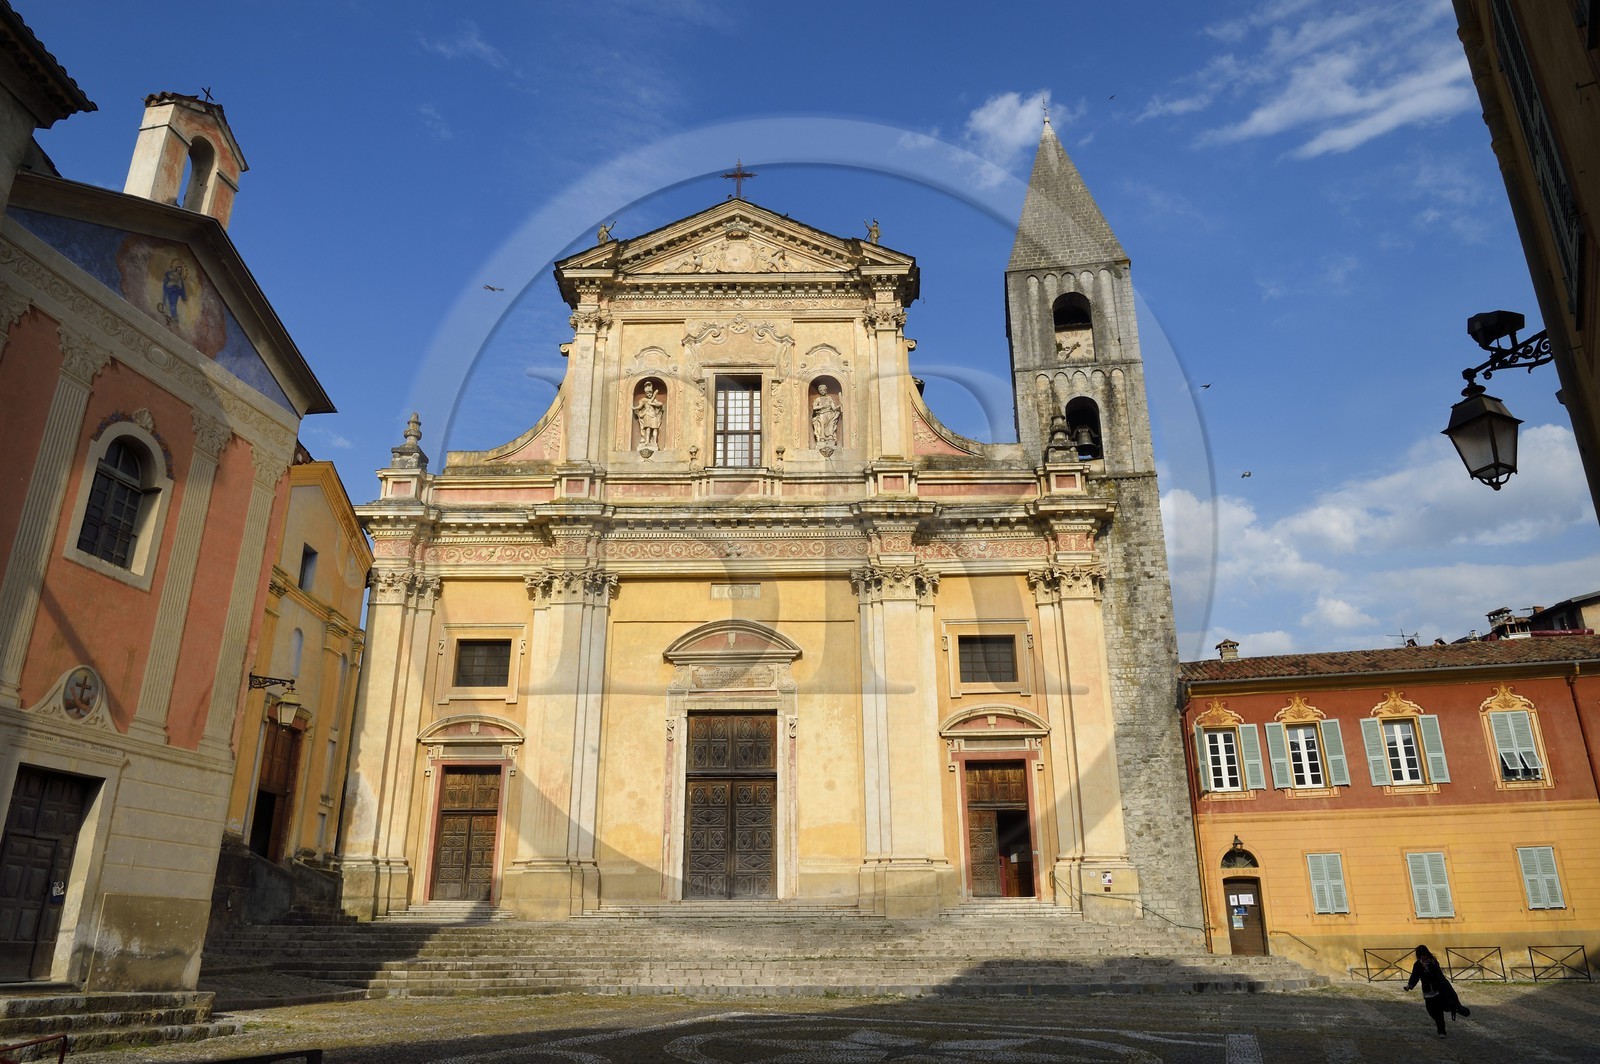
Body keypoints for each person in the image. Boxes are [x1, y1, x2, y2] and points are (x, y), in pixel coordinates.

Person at [1404, 944, 1470, 1037]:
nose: (1423, 956)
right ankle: (1442, 1023)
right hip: (1427, 992)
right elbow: (1414, 976)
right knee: (1431, 1011)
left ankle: (1441, 1031)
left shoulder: (1433, 962)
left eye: (1424, 954)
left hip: (1438, 990)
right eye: (1421, 955)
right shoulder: (1418, 965)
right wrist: (1409, 986)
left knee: (1438, 1011)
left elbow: (1439, 975)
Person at [633, 380, 665, 449]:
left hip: (653, 415)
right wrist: (634, 408)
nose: (649, 394)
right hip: (647, 415)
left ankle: (654, 442)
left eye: (650, 392)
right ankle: (647, 441)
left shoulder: (653, 400)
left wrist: (652, 403)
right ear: (646, 393)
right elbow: (640, 406)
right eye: (648, 393)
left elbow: (660, 404)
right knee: (648, 428)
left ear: (652, 392)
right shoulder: (643, 400)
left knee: (655, 429)